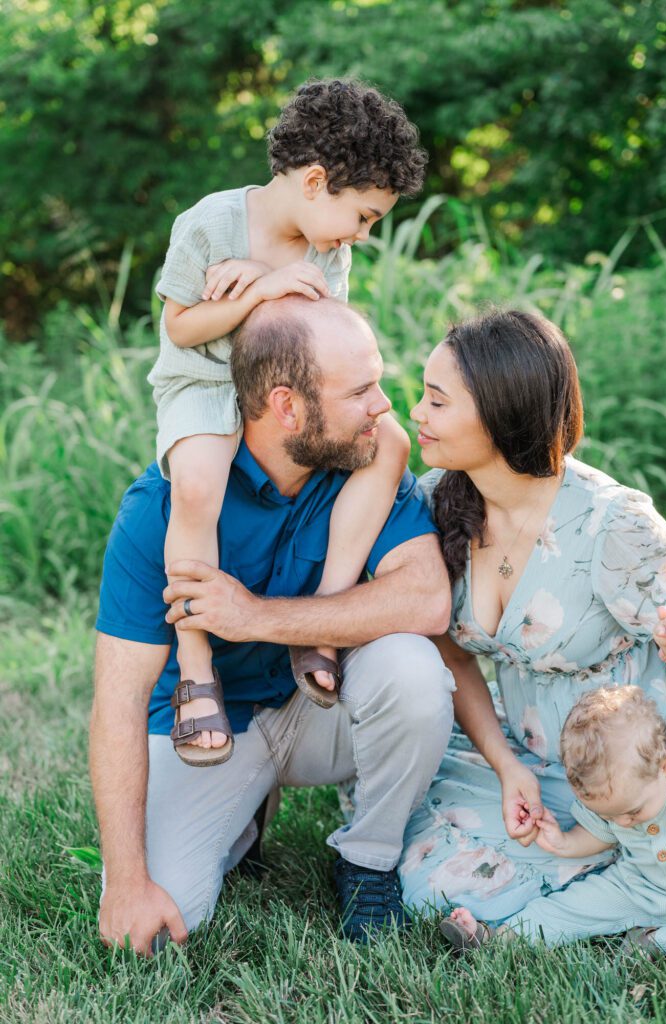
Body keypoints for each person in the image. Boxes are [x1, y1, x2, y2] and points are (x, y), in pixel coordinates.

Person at [91, 296, 455, 956]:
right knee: (162, 925)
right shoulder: (166, 504)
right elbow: (116, 704)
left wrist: (254, 616)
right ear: (287, 406)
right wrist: (124, 882)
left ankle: (368, 864)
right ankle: (244, 815)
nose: (383, 405)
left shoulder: (368, 460)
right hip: (211, 728)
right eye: (361, 389)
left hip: (322, 706)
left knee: (411, 667)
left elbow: (426, 599)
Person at [148, 78, 426, 765]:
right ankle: (195, 666)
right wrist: (262, 290)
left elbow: (321, 338)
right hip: (207, 381)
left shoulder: (329, 250)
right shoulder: (209, 225)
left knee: (388, 442)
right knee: (198, 484)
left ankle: (322, 622)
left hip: (288, 393)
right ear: (314, 181)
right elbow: (180, 327)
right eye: (362, 216)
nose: (363, 234)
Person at [398, 308, 666, 926]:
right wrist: (504, 765)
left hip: (633, 764)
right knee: (430, 881)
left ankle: (632, 858)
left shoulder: (614, 527)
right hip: (526, 754)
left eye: (437, 401)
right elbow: (451, 652)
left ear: (502, 413)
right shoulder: (437, 501)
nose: (416, 413)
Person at [441, 650, 666, 956]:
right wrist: (563, 842)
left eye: (633, 812)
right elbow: (597, 835)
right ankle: (497, 938)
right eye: (611, 816)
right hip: (639, 887)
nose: (622, 823)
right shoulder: (611, 798)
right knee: (566, 909)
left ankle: (658, 942)